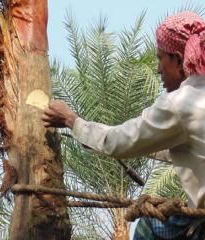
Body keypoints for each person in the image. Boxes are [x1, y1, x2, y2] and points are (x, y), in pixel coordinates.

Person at [42, 11, 205, 239]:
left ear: (178, 59)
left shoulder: (180, 105)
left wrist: (72, 122)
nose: (158, 69)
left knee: (149, 227)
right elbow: (192, 148)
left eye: (160, 58)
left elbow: (120, 141)